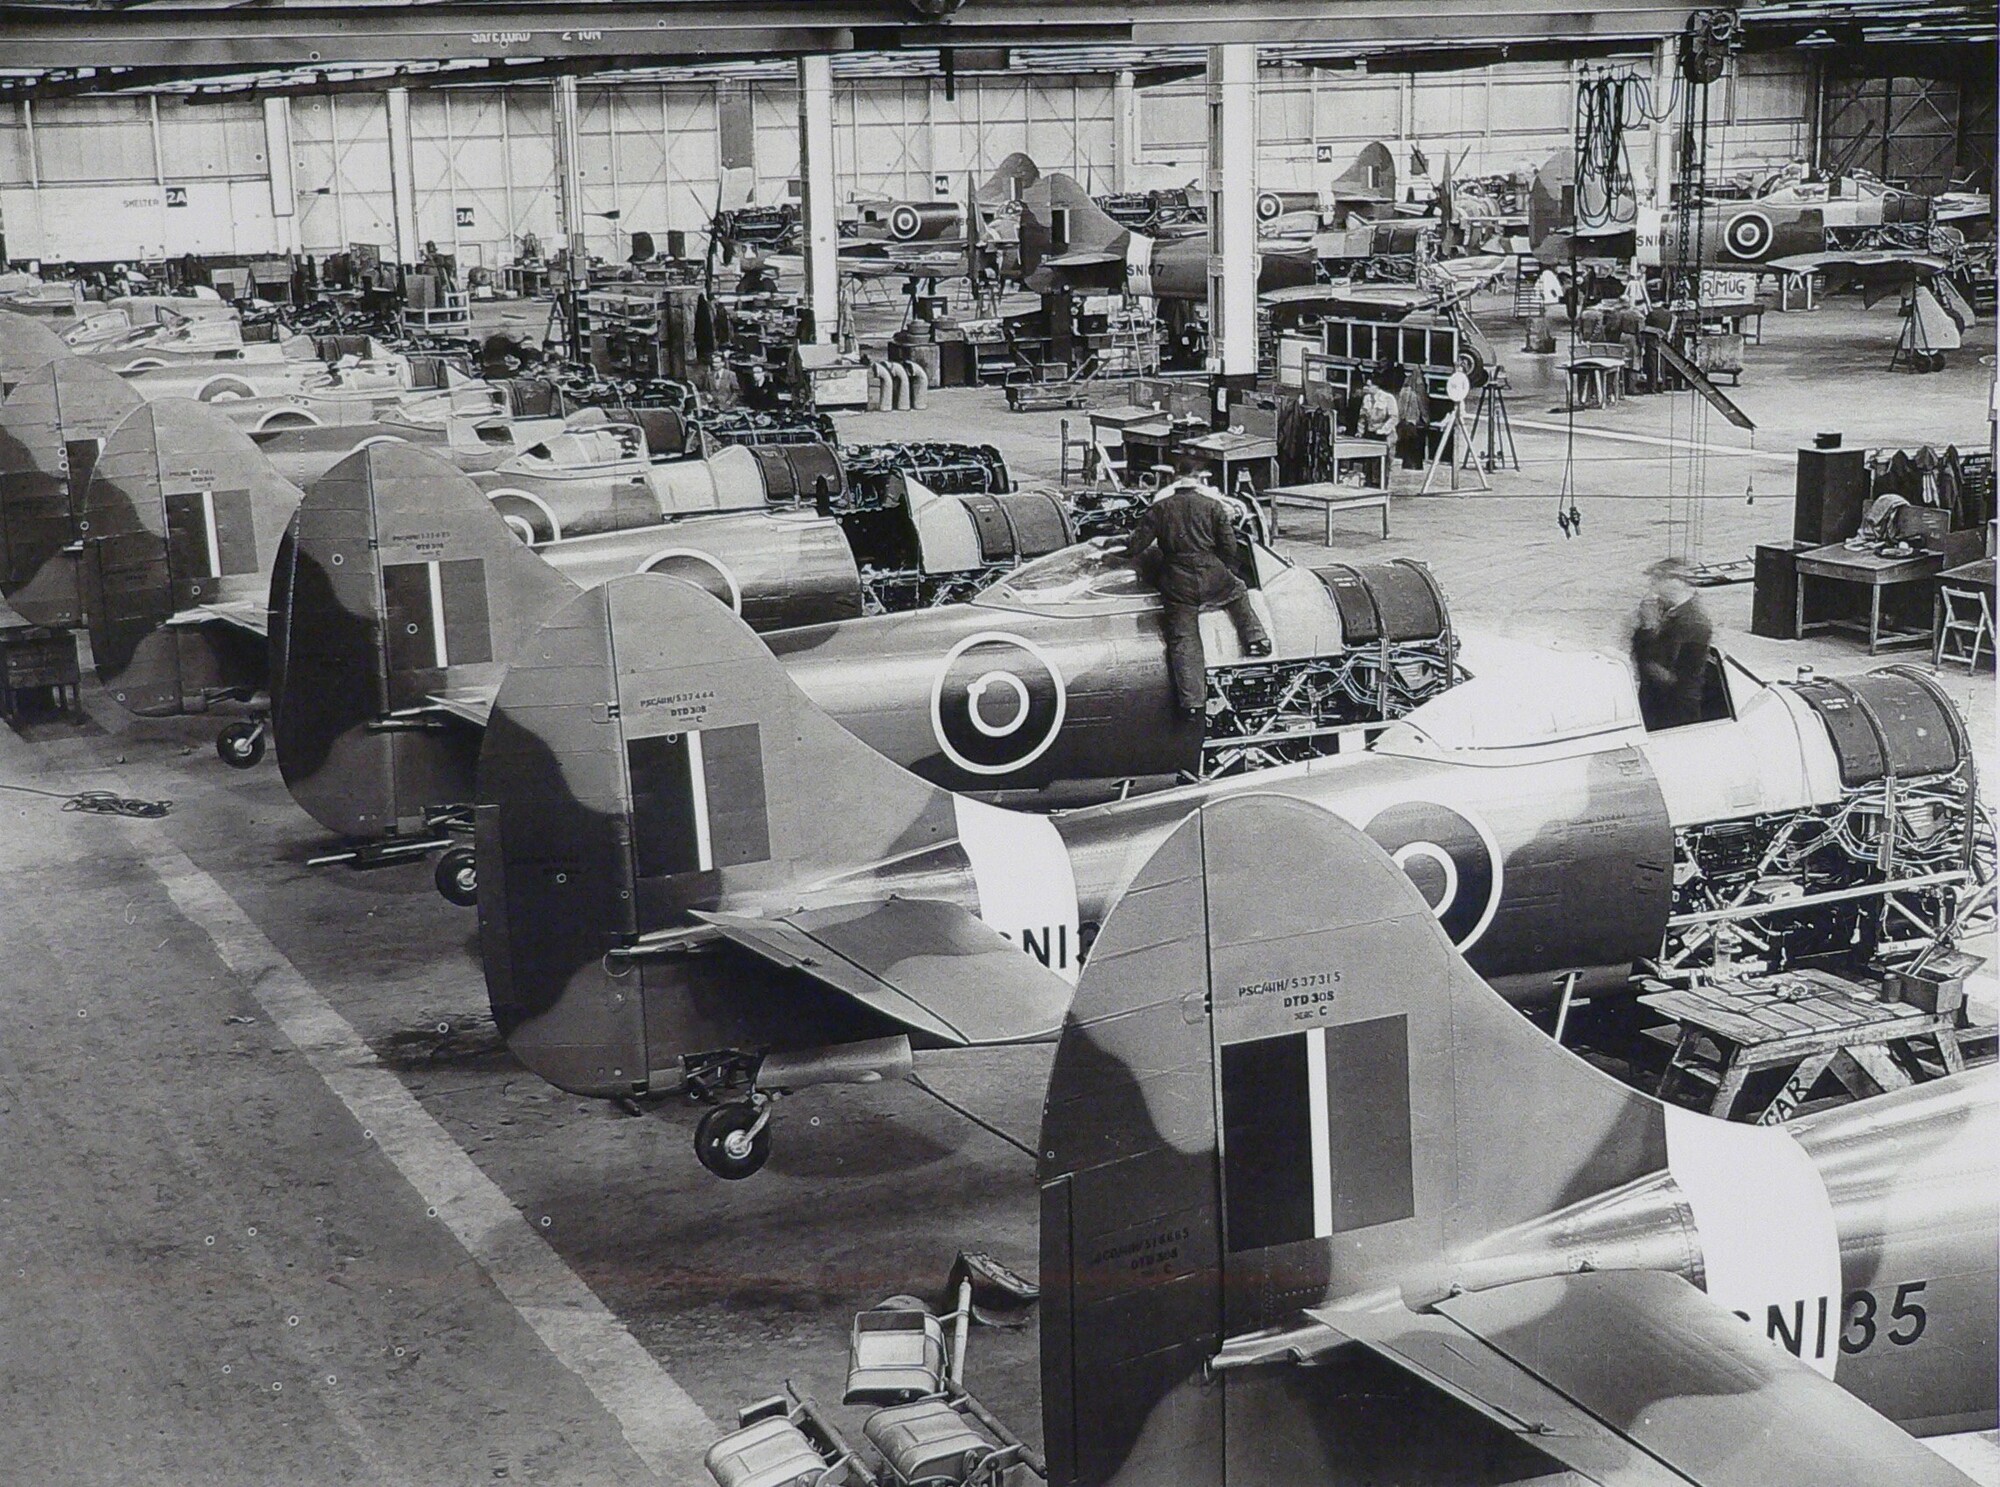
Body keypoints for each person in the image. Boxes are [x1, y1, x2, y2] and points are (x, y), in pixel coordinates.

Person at [1125, 478, 1271, 718]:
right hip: (1213, 574)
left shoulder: (1160, 508)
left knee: (1183, 637)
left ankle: (1192, 702)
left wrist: (1114, 546)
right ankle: (1256, 638)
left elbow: (1135, 546)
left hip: (1178, 581)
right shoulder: (1213, 506)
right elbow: (1230, 546)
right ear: (1196, 487)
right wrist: (1222, 567)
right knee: (1238, 592)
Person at [1630, 557, 1713, 730]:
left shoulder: (1694, 623)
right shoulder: (1667, 611)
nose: (1653, 584)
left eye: (1658, 579)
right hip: (1657, 702)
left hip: (1674, 712)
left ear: (1677, 582)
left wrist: (1649, 628)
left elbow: (1672, 677)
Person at [1395, 365, 1431, 470]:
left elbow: (1401, 406)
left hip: (1405, 421)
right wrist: (1426, 419)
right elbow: (1423, 404)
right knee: (1415, 446)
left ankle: (1408, 465)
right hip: (1414, 422)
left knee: (1407, 446)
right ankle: (1415, 466)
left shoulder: (1404, 388)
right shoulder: (1418, 391)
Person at [1358, 369, 1399, 440]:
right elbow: (1362, 417)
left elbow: (1394, 418)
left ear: (1376, 386)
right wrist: (1360, 432)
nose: (1365, 388)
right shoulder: (1366, 398)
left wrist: (1383, 430)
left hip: (1386, 435)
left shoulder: (1388, 398)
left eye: (1368, 386)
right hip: (1371, 433)